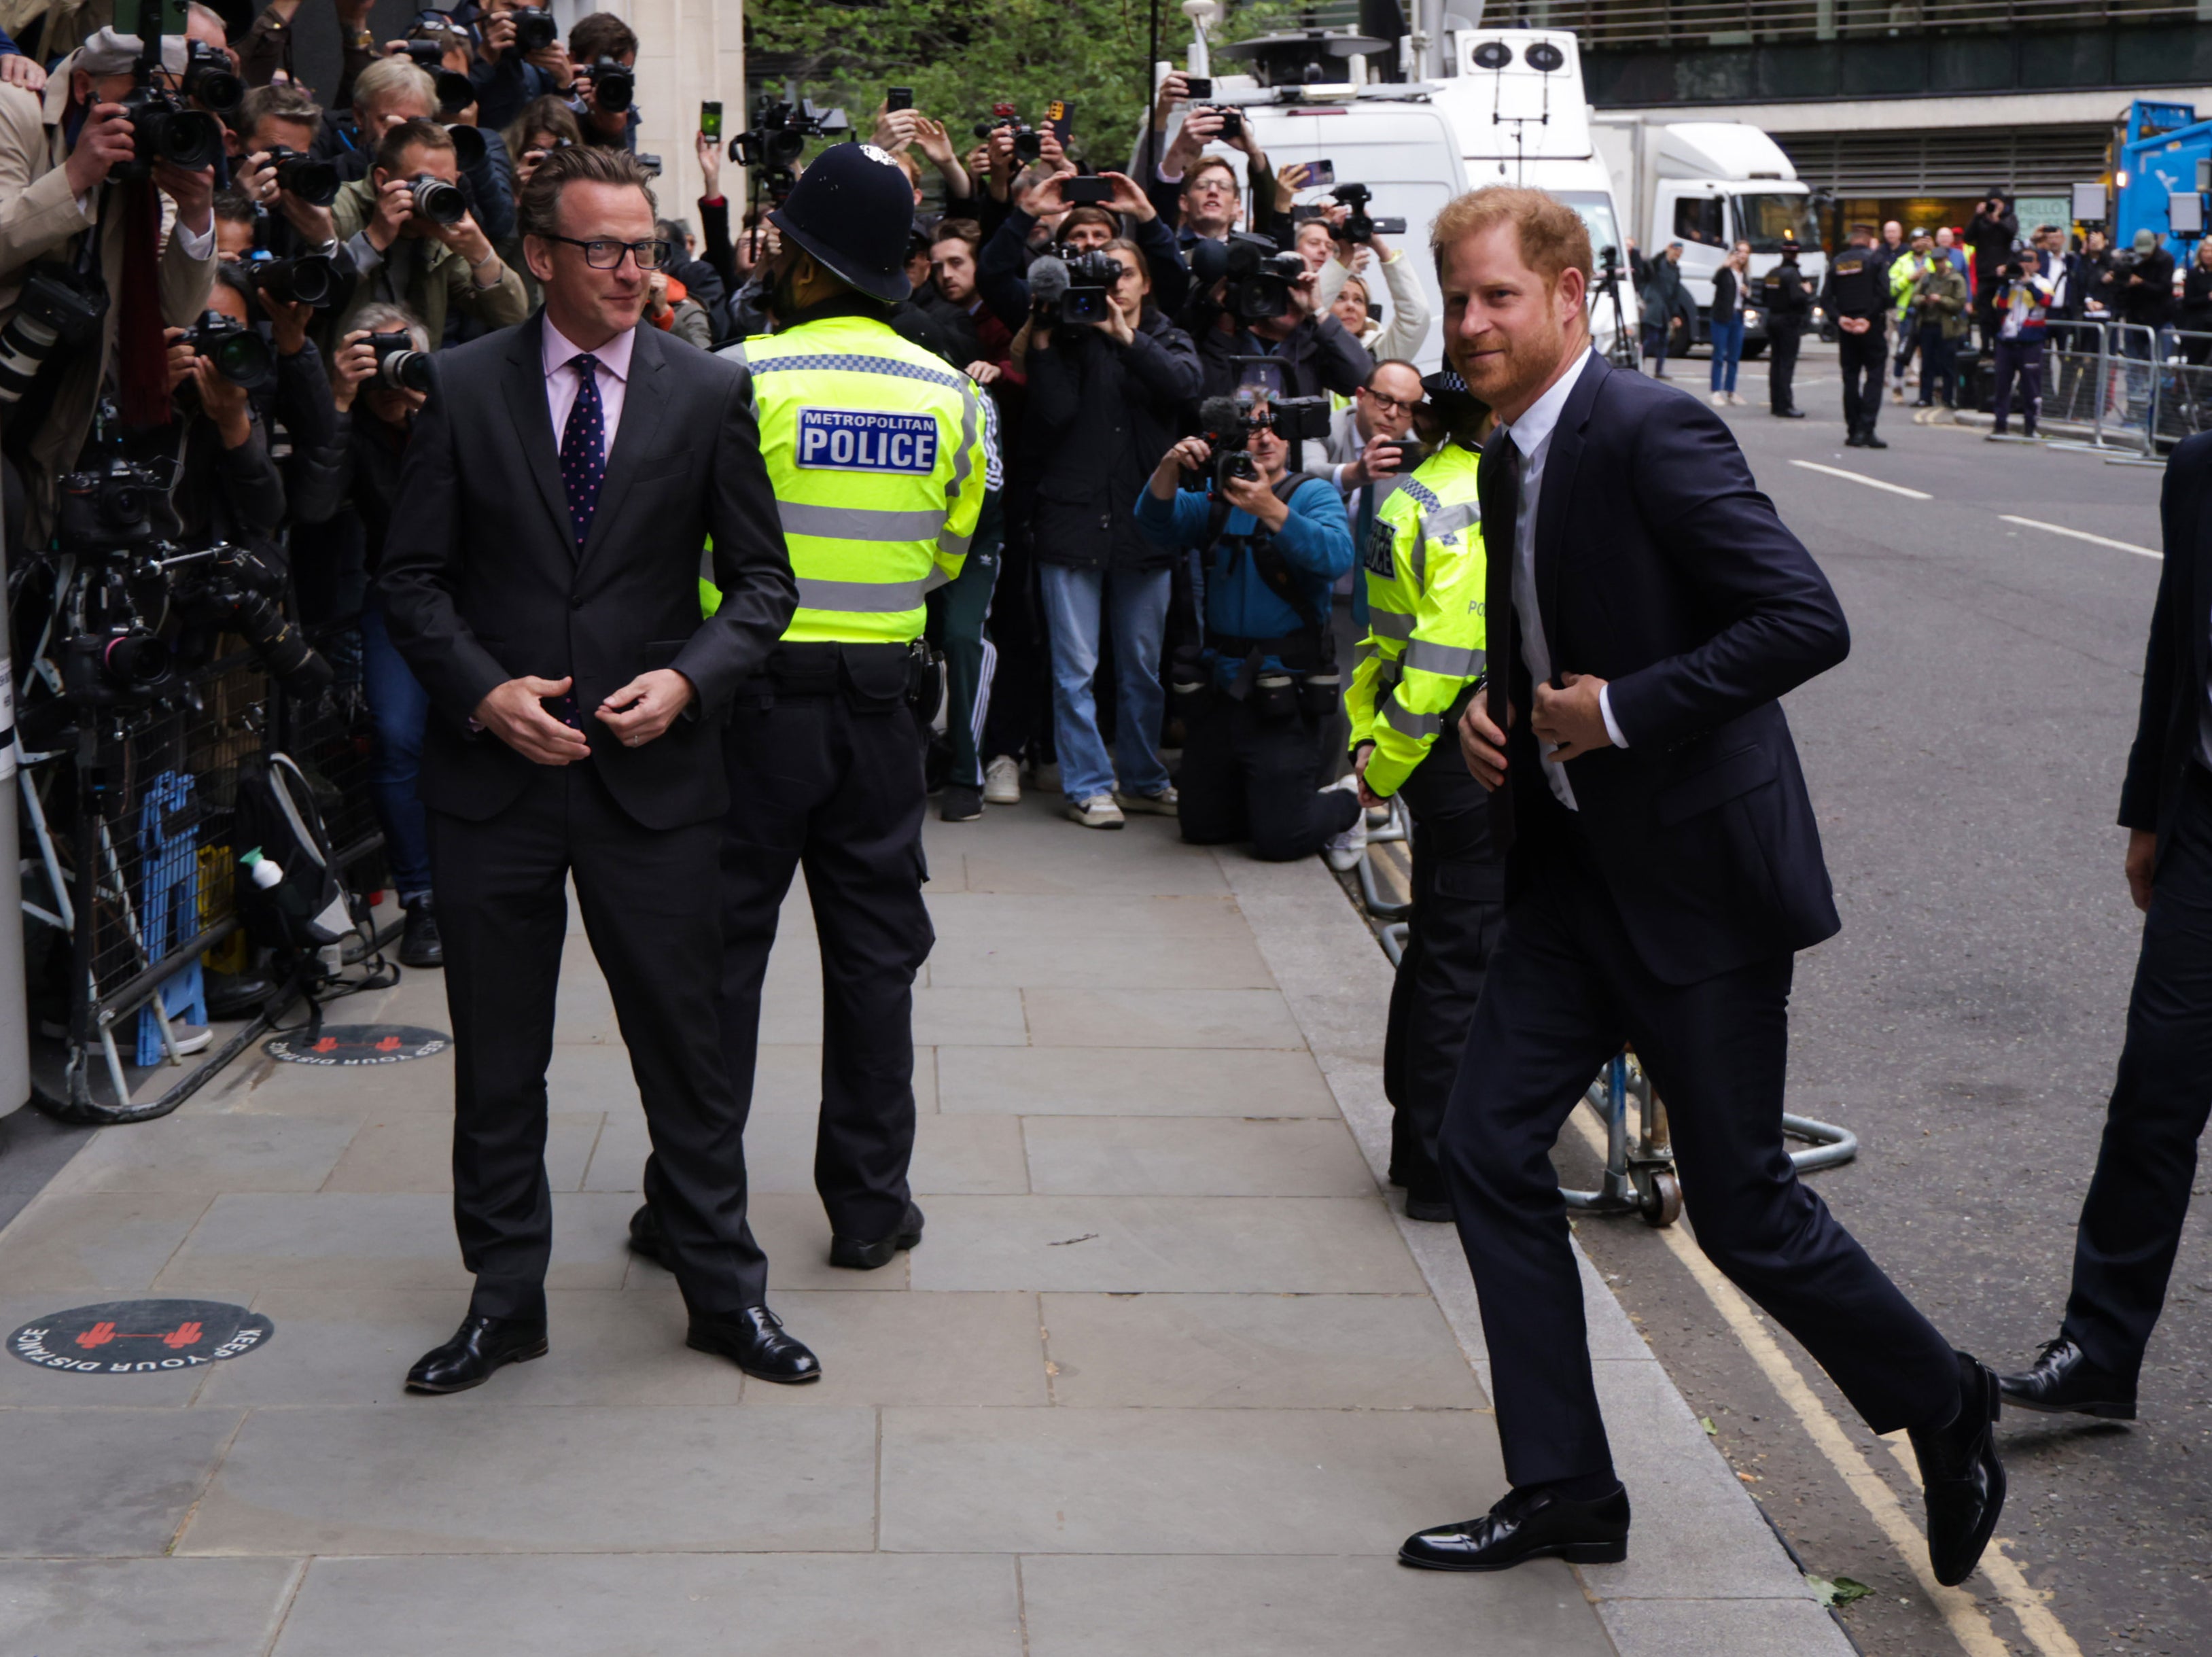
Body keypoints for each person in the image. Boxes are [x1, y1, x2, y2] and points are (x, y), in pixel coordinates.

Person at [1399, 185, 2004, 1588]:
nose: (1471, 324)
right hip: (1562, 883)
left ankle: (1943, 1395)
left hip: (1696, 893)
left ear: (1567, 297)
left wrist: (1613, 716)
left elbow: (1802, 618)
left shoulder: (1653, 428)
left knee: (1742, 1215)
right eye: (1457, 298)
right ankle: (1564, 1486)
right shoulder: (1496, 458)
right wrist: (1491, 714)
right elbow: (1530, 622)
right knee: (1483, 1144)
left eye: (1496, 297)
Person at [374, 142, 806, 1393]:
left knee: (686, 1046)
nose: (636, 269)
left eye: (648, 244)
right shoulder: (460, 388)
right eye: (609, 249)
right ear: (540, 255)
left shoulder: (706, 390)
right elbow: (409, 580)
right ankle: (505, 1301)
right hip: (497, 786)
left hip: (654, 778)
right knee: (500, 1057)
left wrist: (689, 678)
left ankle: (727, 1293)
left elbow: (766, 581)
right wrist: (483, 689)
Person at [688, 142, 992, 1283]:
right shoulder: (953, 397)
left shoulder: (736, 378)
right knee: (874, 963)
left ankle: (694, 1204)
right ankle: (869, 1205)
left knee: (720, 964)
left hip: (748, 714)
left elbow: (691, 553)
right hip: (879, 716)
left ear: (809, 269)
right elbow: (948, 558)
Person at [2001, 429, 2212, 1425]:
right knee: (2155, 1088)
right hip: (2204, 820)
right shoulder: (2198, 468)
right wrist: (2148, 812)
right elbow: (2172, 648)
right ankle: (2098, 1346)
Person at [1344, 372, 1498, 1225]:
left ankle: (1414, 1146)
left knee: (1438, 944)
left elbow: (1378, 642)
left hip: (1419, 748)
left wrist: (1377, 745)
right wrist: (1395, 758)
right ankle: (1441, 1171)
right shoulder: (1479, 497)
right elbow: (1444, 654)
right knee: (1466, 964)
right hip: (1459, 751)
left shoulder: (1411, 494)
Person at [0, 26, 217, 539]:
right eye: (134, 97)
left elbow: (177, 312)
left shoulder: (146, 167)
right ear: (83, 89)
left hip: (62, 394)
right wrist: (75, 176)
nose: (149, 116)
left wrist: (195, 214)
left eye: (167, 99)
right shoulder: (15, 110)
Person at [1137, 398, 1360, 863]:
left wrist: (1270, 510)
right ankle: (1262, 799)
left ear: (1289, 437)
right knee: (1201, 829)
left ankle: (1348, 803)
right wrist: (1168, 465)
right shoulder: (1219, 499)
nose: (1263, 437)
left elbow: (1336, 558)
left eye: (1274, 427)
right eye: (1252, 428)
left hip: (1285, 697)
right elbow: (1152, 521)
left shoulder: (1310, 494)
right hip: (1223, 692)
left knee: (1281, 842)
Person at [1029, 237, 1200, 828]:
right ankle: (1087, 784)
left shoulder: (1167, 336)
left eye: (1124, 273)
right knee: (1074, 669)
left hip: (1143, 527)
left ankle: (1143, 777)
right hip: (1072, 521)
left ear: (1146, 283)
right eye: (1104, 276)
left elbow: (1183, 388)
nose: (1115, 286)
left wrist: (1125, 335)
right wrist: (1050, 335)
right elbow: (1050, 416)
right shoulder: (1070, 336)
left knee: (1141, 668)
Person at [328, 118, 529, 347]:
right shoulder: (339, 210)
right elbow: (313, 303)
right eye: (420, 182)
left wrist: (481, 253)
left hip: (410, 375)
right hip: (340, 371)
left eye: (443, 184)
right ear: (383, 180)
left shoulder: (442, 232)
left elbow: (512, 317)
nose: (432, 194)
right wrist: (374, 238)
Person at [1316, 222, 1432, 366]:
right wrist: (1346, 255)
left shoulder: (1377, 353)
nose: (1351, 306)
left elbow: (1416, 318)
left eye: (1359, 300)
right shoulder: (1307, 347)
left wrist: (1381, 248)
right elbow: (1311, 306)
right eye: (1340, 298)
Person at [1821, 226, 1889, 449]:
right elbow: (1884, 294)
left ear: (1851, 240)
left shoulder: (1838, 262)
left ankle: (1853, 430)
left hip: (1847, 329)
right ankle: (1867, 429)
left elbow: (1826, 298)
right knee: (1874, 377)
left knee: (1850, 379)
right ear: (1870, 240)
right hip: (1870, 328)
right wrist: (1867, 319)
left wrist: (1839, 318)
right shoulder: (1876, 260)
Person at [1987, 253, 2056, 441]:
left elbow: (2047, 302)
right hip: (2007, 341)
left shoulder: (2043, 283)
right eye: (2021, 261)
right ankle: (2000, 426)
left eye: (2029, 261)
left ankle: (2030, 427)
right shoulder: (2009, 284)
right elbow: (1999, 307)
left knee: (2030, 387)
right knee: (2002, 386)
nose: (2024, 265)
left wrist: (2028, 284)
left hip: (2031, 342)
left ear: (2037, 265)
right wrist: (2004, 283)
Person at [1909, 247, 1969, 423]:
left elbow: (1959, 303)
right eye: (1935, 261)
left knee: (1948, 365)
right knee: (1927, 364)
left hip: (1948, 328)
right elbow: (1914, 297)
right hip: (1928, 325)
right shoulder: (1927, 278)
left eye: (1940, 260)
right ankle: (1924, 397)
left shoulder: (1956, 279)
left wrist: (1940, 299)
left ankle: (1949, 397)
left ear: (1946, 260)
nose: (1937, 264)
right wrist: (1923, 300)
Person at [1759, 241, 1810, 419]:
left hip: (1773, 319)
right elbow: (1797, 298)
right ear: (1796, 255)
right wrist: (1806, 292)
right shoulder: (1793, 275)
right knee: (1787, 364)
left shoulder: (1772, 273)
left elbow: (1763, 297)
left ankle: (1775, 403)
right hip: (1788, 321)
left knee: (1776, 362)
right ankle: (1786, 405)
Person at [1886, 229, 1937, 402]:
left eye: (1922, 240)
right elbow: (1891, 287)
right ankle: (1897, 389)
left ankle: (1928, 393)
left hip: (1929, 313)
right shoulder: (1902, 262)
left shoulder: (1934, 260)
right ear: (1910, 243)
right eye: (1915, 240)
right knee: (1903, 352)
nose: (1918, 244)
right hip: (1907, 314)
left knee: (1930, 354)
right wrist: (1909, 278)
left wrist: (1935, 251)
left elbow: (1948, 276)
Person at [1967, 191, 2019, 351]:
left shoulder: (2009, 218)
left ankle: (1999, 347)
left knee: (2000, 312)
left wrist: (1997, 220)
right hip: (1984, 274)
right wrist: (1977, 216)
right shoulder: (1981, 220)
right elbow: (1967, 238)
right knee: (1984, 314)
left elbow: (2012, 233)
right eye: (1992, 203)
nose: (1995, 206)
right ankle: (1984, 347)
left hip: (2001, 275)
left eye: (1998, 203)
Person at [1636, 240, 1693, 378]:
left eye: (1680, 253)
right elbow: (1651, 265)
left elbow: (1675, 294)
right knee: (1652, 338)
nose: (1677, 255)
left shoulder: (1676, 270)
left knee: (1664, 341)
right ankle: (1638, 364)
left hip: (1665, 310)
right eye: (1676, 251)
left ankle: (1659, 370)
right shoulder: (1659, 264)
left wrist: (1675, 314)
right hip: (1653, 307)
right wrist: (1663, 252)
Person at [1707, 240, 1748, 407]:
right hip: (1722, 317)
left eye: (1746, 252)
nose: (1743, 255)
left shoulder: (1744, 275)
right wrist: (1725, 265)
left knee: (1734, 356)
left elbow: (1746, 297)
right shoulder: (1726, 272)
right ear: (1734, 253)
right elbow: (1715, 280)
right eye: (1740, 251)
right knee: (1719, 355)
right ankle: (1716, 391)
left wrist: (1747, 292)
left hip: (1738, 317)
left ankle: (1731, 391)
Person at [2182, 239, 2212, 365]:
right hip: (2198, 325)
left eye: (2211, 251)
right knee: (2195, 360)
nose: (2208, 254)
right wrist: (2208, 297)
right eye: (2205, 251)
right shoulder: (2193, 274)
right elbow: (2188, 301)